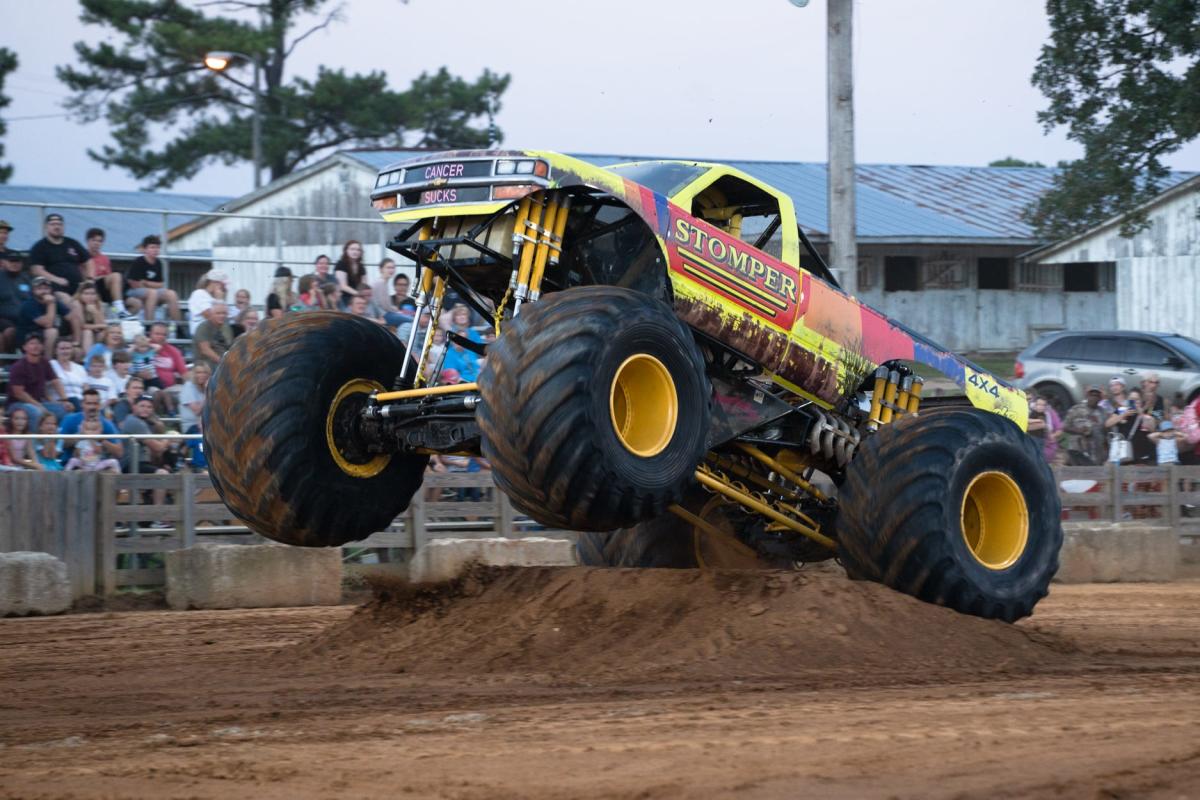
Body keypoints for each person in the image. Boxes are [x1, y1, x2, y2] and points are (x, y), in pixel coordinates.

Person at [7, 333, 72, 429]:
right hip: (17, 404)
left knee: (64, 410)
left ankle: (57, 442)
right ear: (25, 347)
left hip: (38, 402)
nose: (35, 346)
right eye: (32, 343)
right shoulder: (18, 366)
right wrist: (38, 406)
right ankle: (35, 443)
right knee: (36, 413)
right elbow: (19, 393)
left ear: (42, 347)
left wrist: (65, 400)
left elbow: (56, 381)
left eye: (38, 343)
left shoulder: (44, 362)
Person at [28, 213, 90, 303]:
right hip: (56, 287)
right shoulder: (39, 247)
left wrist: (89, 280)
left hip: (78, 286)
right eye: (53, 224)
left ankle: (117, 311)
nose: (57, 227)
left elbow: (88, 261)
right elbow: (37, 270)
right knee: (73, 304)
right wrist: (57, 280)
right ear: (46, 227)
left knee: (95, 301)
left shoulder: (72, 243)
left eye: (59, 224)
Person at [58, 387, 122, 463]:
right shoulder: (70, 419)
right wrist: (80, 436)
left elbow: (119, 453)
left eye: (95, 403)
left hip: (98, 466)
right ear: (82, 404)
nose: (92, 407)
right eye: (89, 403)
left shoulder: (106, 424)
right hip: (72, 465)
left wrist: (101, 439)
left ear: (99, 405)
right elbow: (59, 445)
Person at [126, 235, 181, 323]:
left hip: (150, 290)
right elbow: (132, 282)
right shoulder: (139, 261)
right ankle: (150, 324)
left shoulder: (158, 263)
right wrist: (149, 286)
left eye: (158, 247)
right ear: (145, 249)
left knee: (172, 294)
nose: (155, 250)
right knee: (152, 293)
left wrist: (146, 283)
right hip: (133, 291)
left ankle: (178, 326)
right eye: (152, 247)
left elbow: (161, 284)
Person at [83, 228, 130, 317]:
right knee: (116, 276)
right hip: (90, 287)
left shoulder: (104, 258)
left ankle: (121, 318)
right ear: (88, 241)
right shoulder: (82, 257)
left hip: (105, 292)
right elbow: (84, 278)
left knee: (135, 303)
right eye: (94, 240)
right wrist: (99, 278)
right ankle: (119, 309)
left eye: (100, 241)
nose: (96, 243)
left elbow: (109, 278)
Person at [17, 276, 67, 350]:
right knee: (52, 332)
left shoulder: (55, 301)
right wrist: (51, 304)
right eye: (39, 289)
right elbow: (48, 324)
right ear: (33, 291)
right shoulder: (28, 305)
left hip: (44, 335)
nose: (44, 291)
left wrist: (76, 342)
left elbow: (72, 317)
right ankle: (48, 360)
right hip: (28, 337)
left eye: (46, 288)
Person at [1062, 385, 1108, 466]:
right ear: (1087, 396)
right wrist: (1078, 430)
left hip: (1096, 453)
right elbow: (1064, 427)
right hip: (1078, 451)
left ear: (1100, 398)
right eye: (1091, 395)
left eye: (1096, 395)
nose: (1093, 397)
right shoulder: (1076, 409)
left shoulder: (1103, 412)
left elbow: (1106, 433)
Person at [147, 321, 186, 413]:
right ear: (150, 334)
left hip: (170, 387)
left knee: (187, 393)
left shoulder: (173, 351)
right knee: (156, 393)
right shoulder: (143, 348)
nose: (161, 337)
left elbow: (184, 373)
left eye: (164, 334)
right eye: (157, 334)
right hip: (151, 386)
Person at [441, 304, 484, 383]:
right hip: (462, 381)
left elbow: (480, 350)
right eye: (458, 315)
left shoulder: (473, 333)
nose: (461, 317)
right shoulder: (450, 334)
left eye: (464, 314)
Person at [0, 243, 29, 352]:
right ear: (4, 262)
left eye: (17, 261)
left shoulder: (27, 278)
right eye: (11, 261)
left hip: (25, 319)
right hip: (4, 319)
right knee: (10, 331)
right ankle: (9, 362)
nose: (15, 264)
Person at [193, 301, 233, 370]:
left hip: (223, 366)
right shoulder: (203, 327)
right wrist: (223, 362)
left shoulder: (227, 328)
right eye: (218, 313)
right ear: (211, 314)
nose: (222, 316)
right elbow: (205, 350)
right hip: (206, 366)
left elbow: (229, 348)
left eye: (224, 313)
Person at [49, 337, 87, 410]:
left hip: (80, 402)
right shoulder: (50, 365)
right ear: (55, 351)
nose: (65, 351)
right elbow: (45, 389)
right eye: (62, 349)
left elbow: (86, 389)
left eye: (68, 348)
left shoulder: (80, 368)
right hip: (61, 402)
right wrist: (53, 402)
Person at [187, 270, 228, 335]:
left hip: (213, 334)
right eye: (223, 285)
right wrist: (219, 300)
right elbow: (211, 317)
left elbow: (224, 318)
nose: (225, 288)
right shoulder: (199, 293)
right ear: (214, 283)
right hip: (201, 334)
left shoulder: (216, 297)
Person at [72, 280, 110, 351]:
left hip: (95, 333)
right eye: (86, 294)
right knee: (87, 332)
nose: (90, 297)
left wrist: (95, 312)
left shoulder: (99, 304)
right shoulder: (77, 304)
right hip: (80, 335)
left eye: (93, 294)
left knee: (104, 333)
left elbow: (102, 324)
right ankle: (88, 358)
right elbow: (82, 326)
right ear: (80, 295)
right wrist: (100, 326)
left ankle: (103, 357)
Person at [1026, 394, 1062, 464]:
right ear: (1035, 405)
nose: (1040, 407)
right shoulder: (1032, 413)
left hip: (1043, 439)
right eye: (1039, 405)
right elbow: (1027, 423)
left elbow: (1054, 428)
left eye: (1043, 405)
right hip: (1033, 438)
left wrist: (1051, 435)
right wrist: (1040, 422)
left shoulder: (1046, 414)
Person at [179, 362, 211, 434]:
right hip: (192, 427)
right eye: (198, 372)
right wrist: (207, 392)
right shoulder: (188, 386)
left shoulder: (207, 387)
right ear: (194, 374)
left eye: (204, 372)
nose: (202, 375)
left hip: (207, 425)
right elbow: (197, 411)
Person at [334, 240, 366, 305]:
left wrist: (363, 294)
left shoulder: (361, 266)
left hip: (358, 298)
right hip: (344, 298)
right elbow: (343, 286)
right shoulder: (341, 264)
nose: (355, 252)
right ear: (346, 250)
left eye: (358, 250)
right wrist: (358, 294)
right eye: (352, 249)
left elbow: (364, 284)